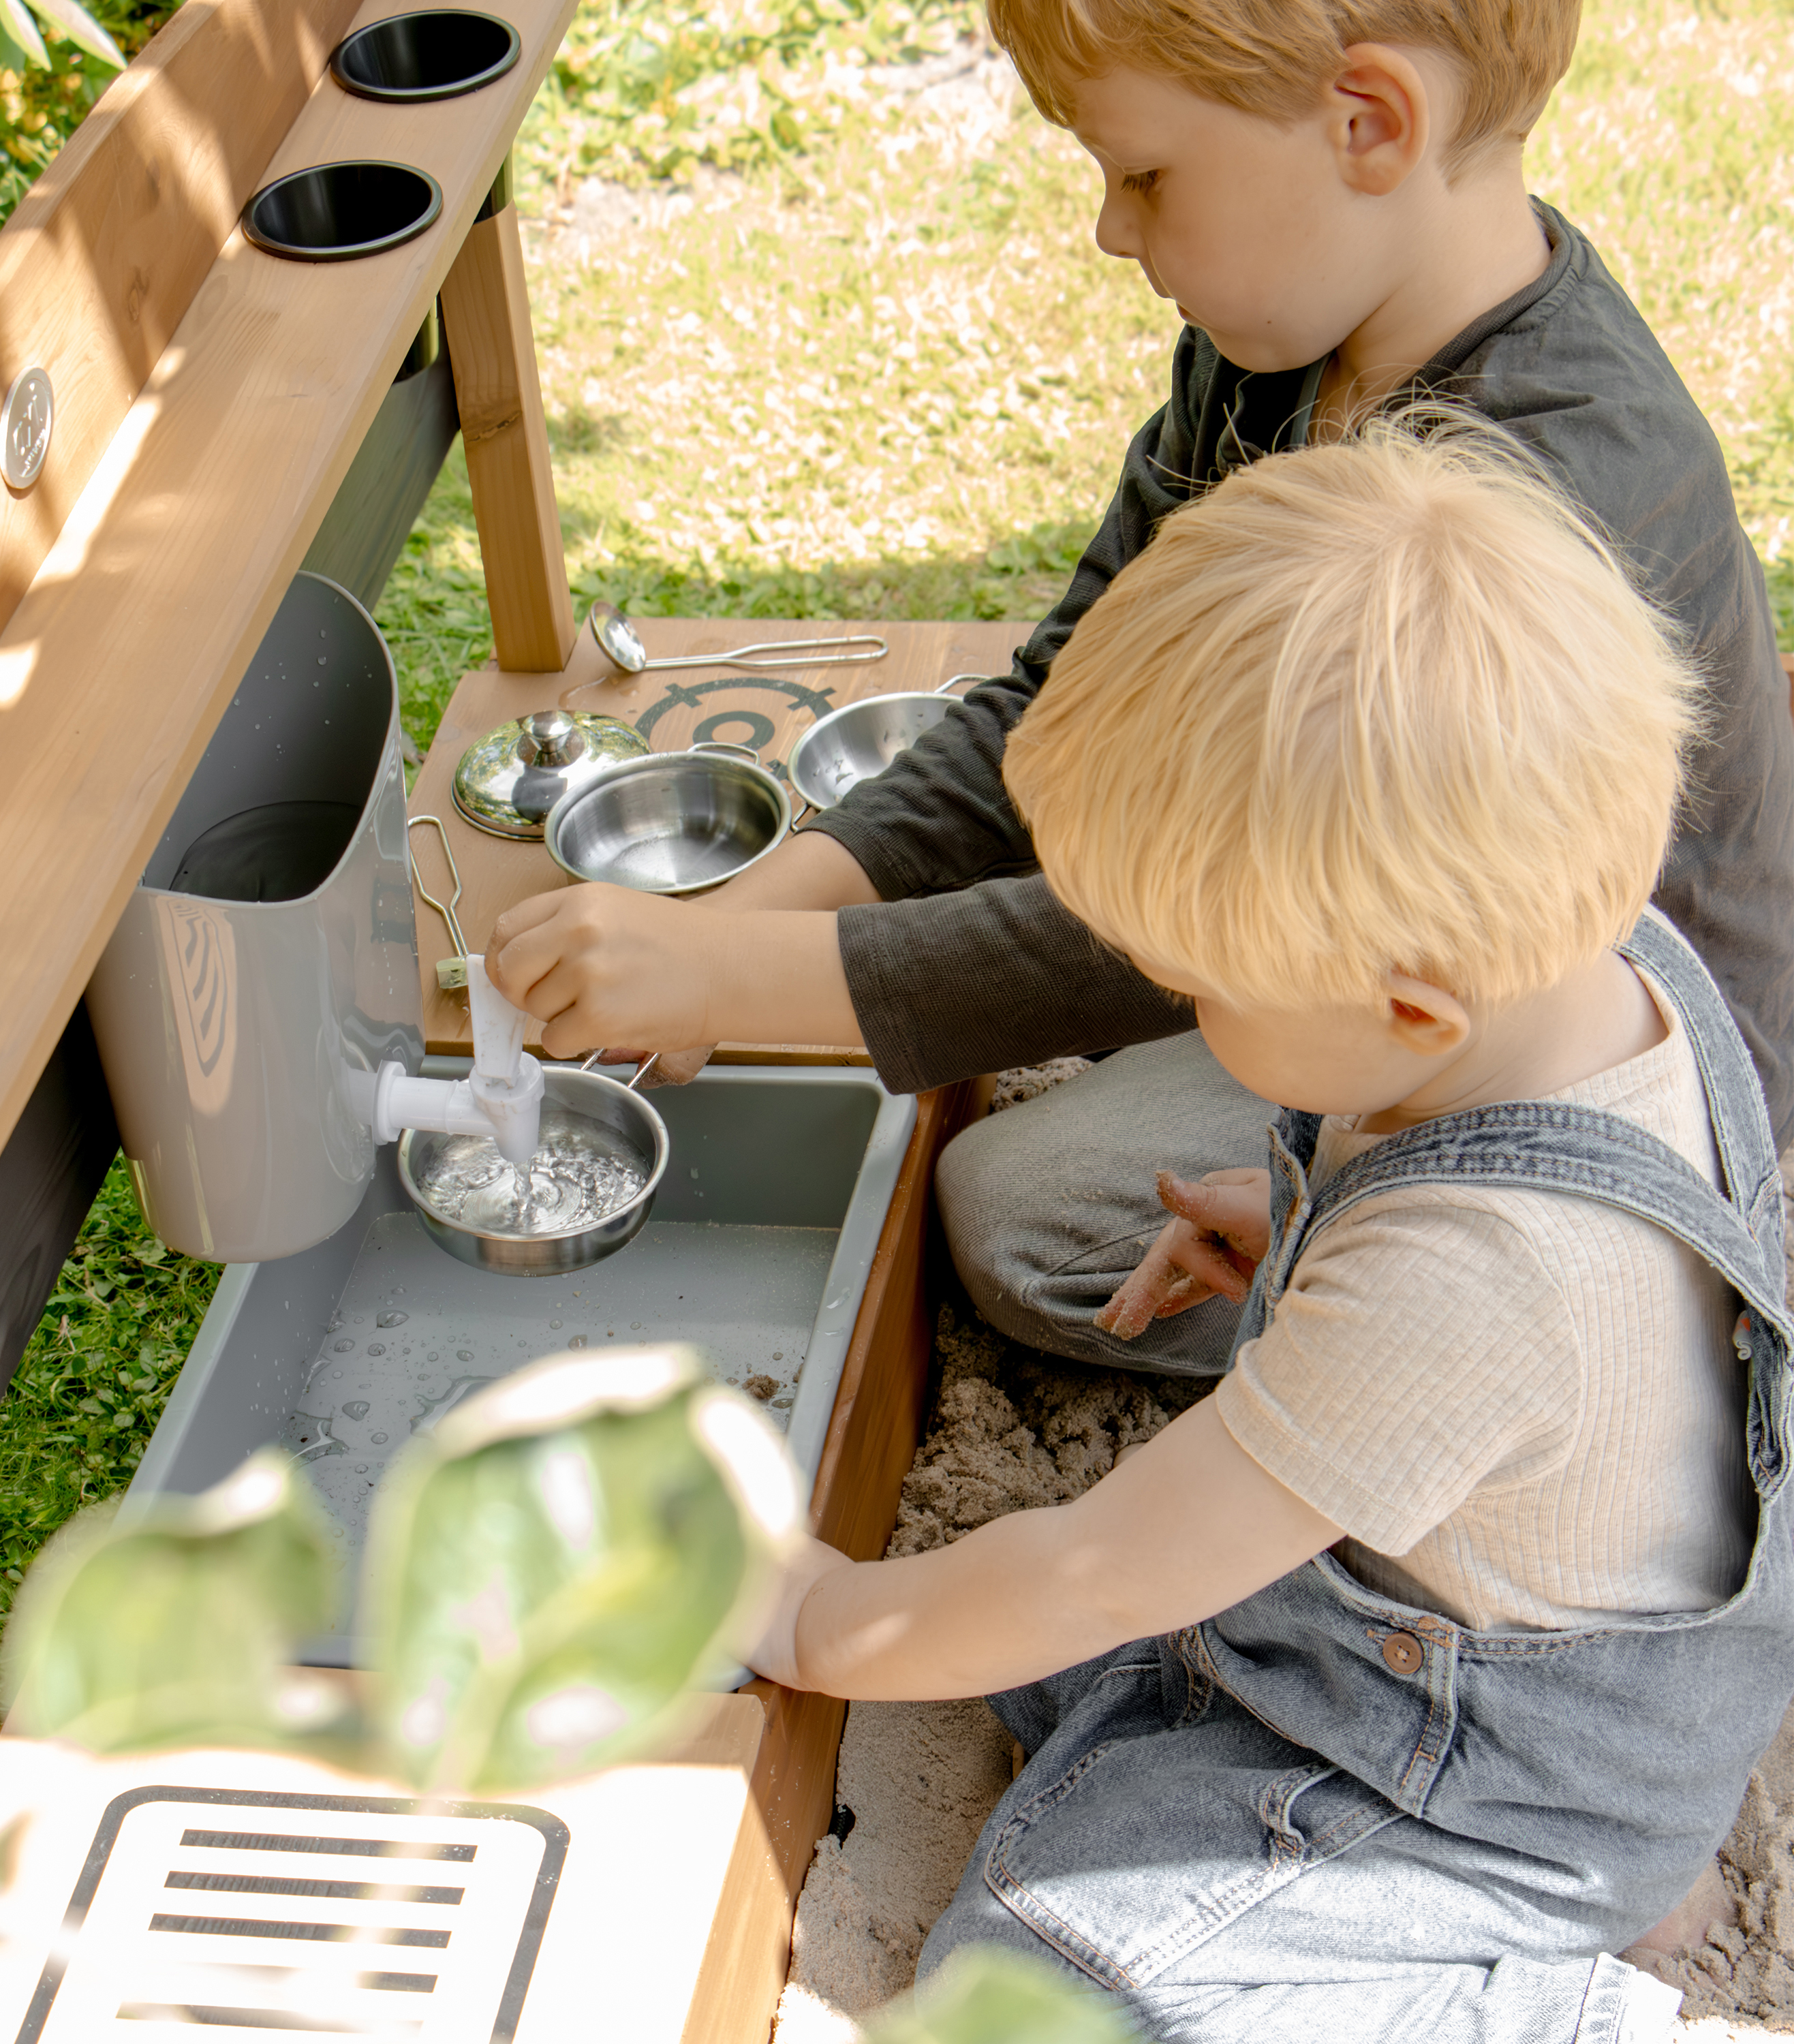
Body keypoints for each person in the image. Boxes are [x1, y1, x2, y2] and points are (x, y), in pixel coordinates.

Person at [485, 0, 1794, 1383]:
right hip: (1367, 986)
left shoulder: (1553, 498)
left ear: (1368, 123)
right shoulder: (1273, 357)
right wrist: (760, 915)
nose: (1113, 229)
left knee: (1025, 1223)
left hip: (1618, 1123)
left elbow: (1189, 914)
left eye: (1147, 175)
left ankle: (1571, 1355)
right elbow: (1057, 702)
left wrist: (740, 978)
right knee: (1039, 1179)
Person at [737, 425, 1794, 2041]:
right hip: (1490, 1615)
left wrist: (815, 1616)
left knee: (1052, 1969)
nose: (1181, 1013)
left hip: (1491, 1788)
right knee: (1044, 1652)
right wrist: (1296, 1225)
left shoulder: (1474, 1277)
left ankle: (1574, 1995)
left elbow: (1098, 1569)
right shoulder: (1603, 961)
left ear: (1412, 1003)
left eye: (1205, 990)